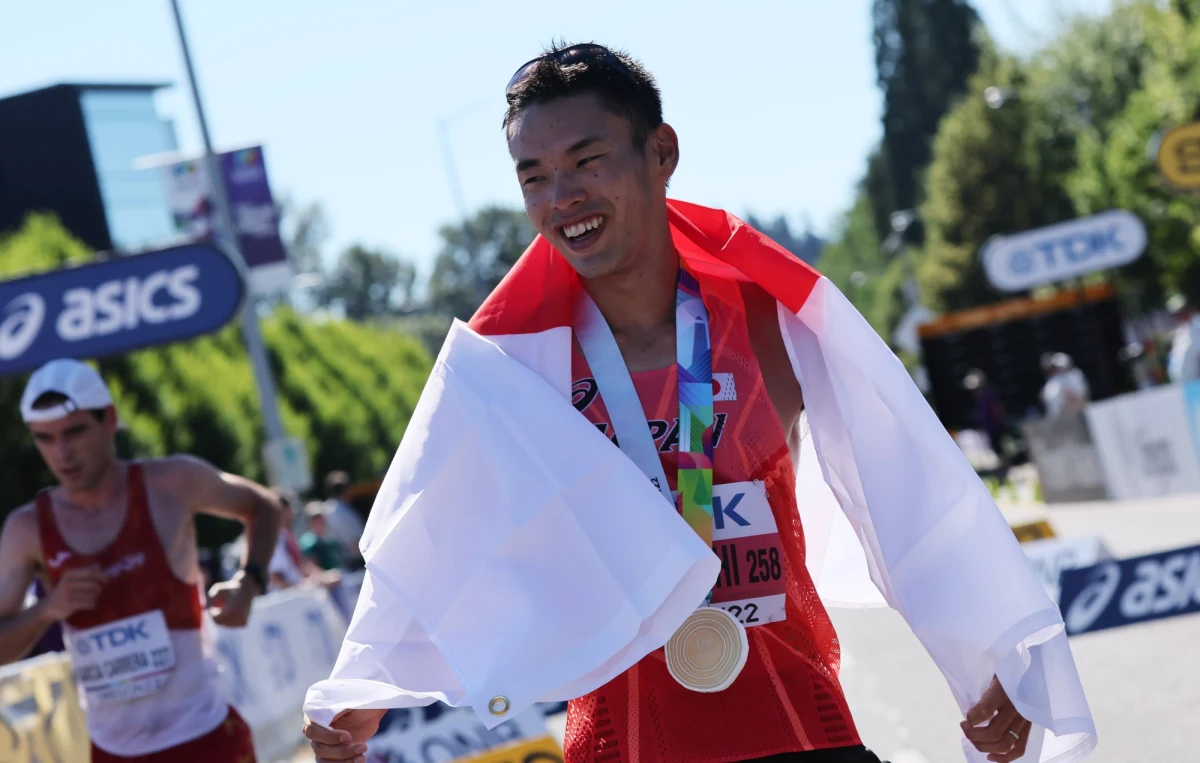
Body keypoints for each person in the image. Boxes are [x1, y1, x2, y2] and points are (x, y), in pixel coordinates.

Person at [304, 43, 1093, 763]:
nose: (561, 196)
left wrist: (991, 653)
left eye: (587, 160)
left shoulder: (769, 319)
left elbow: (904, 482)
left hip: (802, 734)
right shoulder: (515, 365)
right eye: (534, 176)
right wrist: (362, 684)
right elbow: (431, 524)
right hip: (619, 745)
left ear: (662, 152)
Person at [0, 358, 281, 762]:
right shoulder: (27, 529)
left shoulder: (173, 482)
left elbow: (264, 506)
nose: (62, 452)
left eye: (75, 431)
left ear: (110, 419)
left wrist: (249, 581)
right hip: (115, 750)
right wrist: (49, 608)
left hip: (204, 735)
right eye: (44, 438)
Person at [321, 471, 366, 568]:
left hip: (339, 562)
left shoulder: (327, 508)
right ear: (345, 490)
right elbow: (354, 543)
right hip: (352, 563)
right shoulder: (340, 511)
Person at [1040, 353, 1090, 418]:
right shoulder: (1052, 382)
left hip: (1079, 412)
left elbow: (1082, 396)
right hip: (1062, 416)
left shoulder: (1076, 375)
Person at [300, 501, 345, 572]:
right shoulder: (308, 542)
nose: (320, 520)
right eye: (315, 518)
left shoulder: (331, 537)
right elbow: (309, 565)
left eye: (321, 517)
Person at [1166, 294, 1200, 382]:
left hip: (1196, 382)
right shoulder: (1182, 330)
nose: (1178, 317)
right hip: (1185, 384)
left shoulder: (1197, 324)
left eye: (1180, 312)